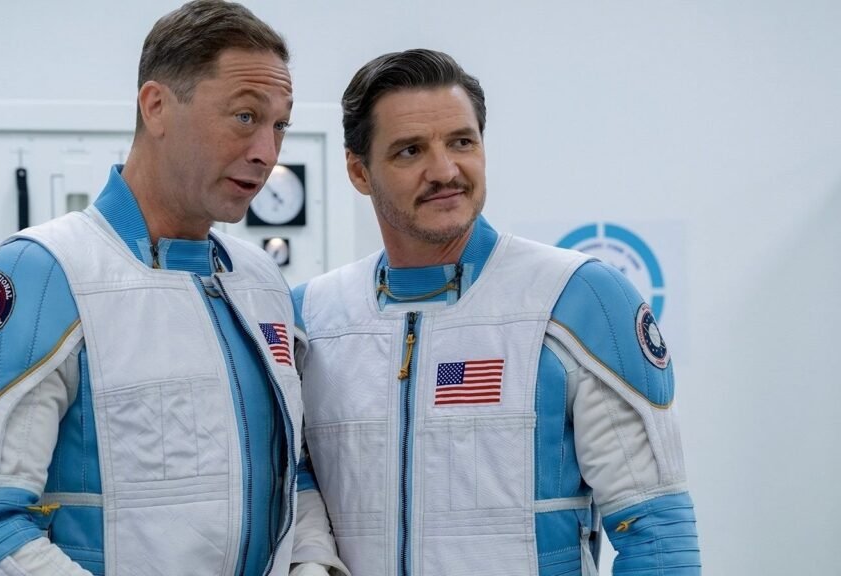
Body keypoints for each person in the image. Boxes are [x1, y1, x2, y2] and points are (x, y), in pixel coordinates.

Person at [0, 2, 345, 575]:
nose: (266, 153)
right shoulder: (44, 272)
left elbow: (291, 474)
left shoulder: (261, 282)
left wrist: (312, 565)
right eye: (245, 116)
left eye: (280, 126)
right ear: (156, 106)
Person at [292, 49, 701, 575]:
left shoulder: (577, 298)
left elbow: (658, 538)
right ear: (358, 171)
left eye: (461, 142)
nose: (445, 171)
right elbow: (294, 487)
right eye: (410, 151)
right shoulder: (313, 316)